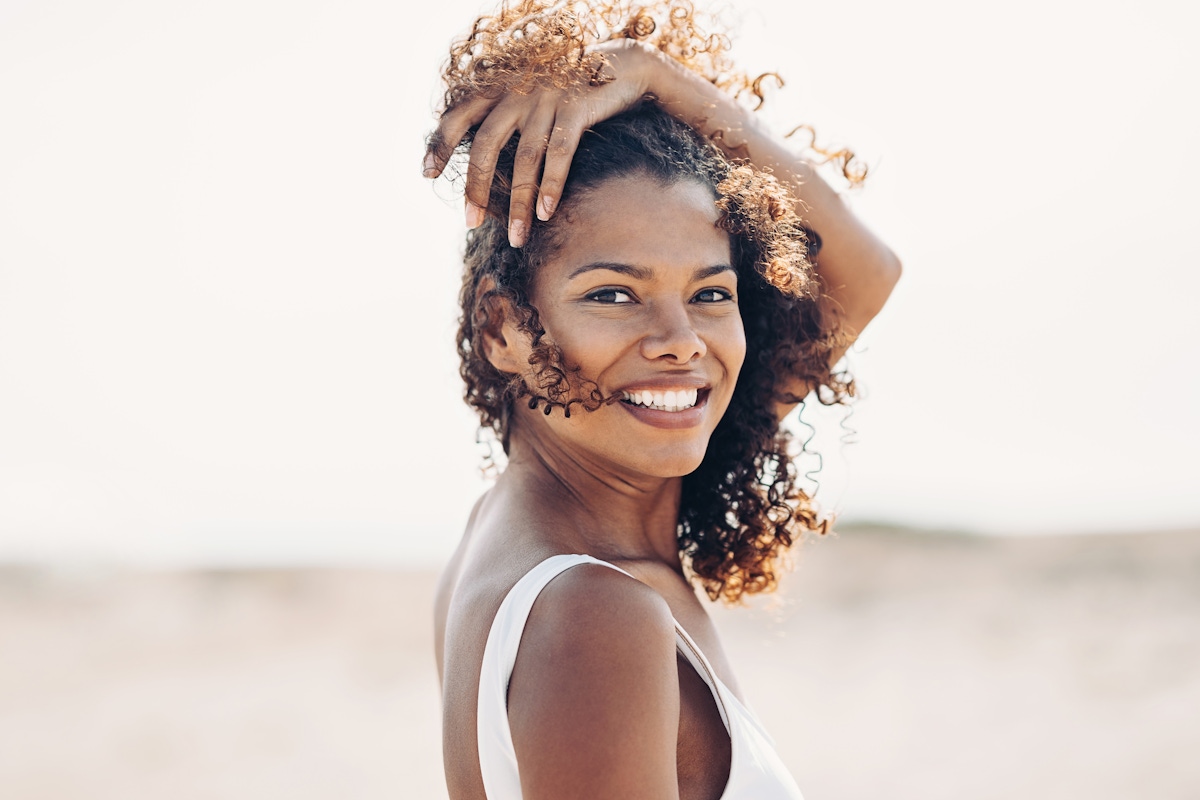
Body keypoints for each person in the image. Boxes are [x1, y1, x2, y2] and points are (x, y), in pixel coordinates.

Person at [424, 2, 900, 797]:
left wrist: (659, 79)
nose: (681, 341)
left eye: (712, 294)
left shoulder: (529, 527)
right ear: (503, 326)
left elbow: (864, 277)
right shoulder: (594, 613)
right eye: (614, 296)